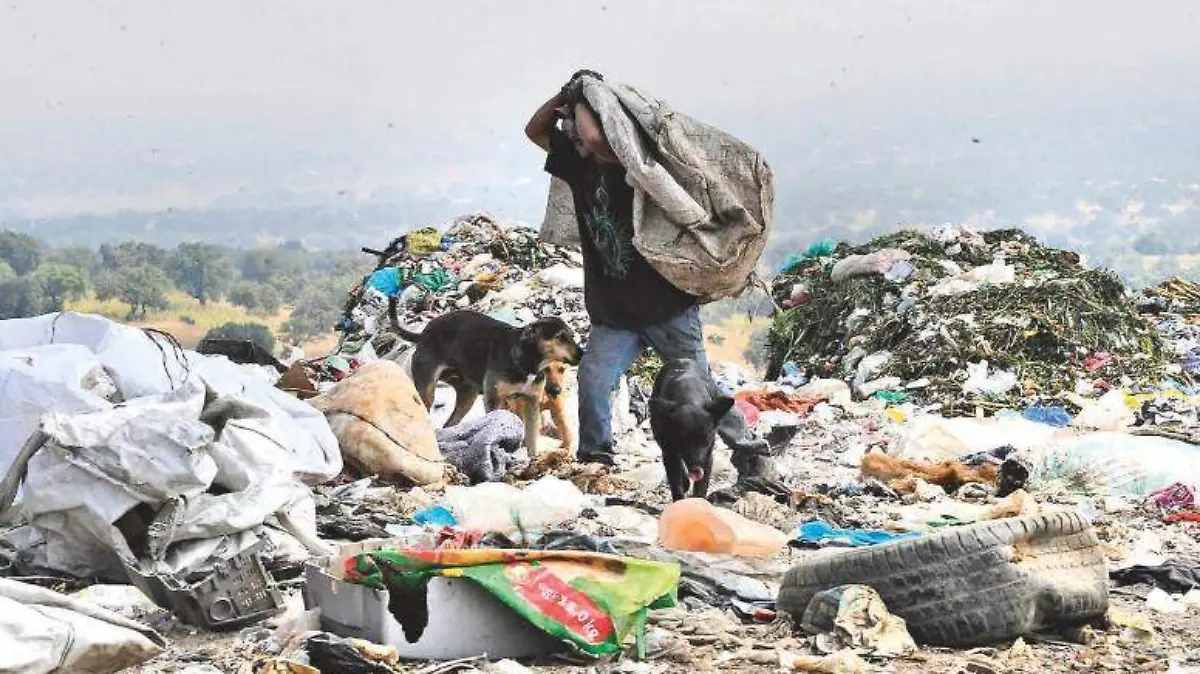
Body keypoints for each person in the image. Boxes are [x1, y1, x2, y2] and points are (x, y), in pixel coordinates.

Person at [524, 70, 774, 481]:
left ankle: (751, 454)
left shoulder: (627, 165)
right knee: (592, 380)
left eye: (581, 122)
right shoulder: (577, 168)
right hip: (614, 313)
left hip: (665, 308)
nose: (575, 133)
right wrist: (563, 94)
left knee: (702, 393)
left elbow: (595, 139)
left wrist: (589, 90)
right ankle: (596, 460)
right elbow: (534, 129)